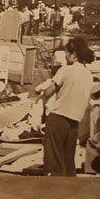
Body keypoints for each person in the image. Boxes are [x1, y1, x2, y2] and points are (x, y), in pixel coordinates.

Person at [36, 36, 94, 176]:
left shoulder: (66, 70)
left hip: (58, 118)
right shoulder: (88, 74)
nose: (66, 57)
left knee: (54, 159)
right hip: (74, 122)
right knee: (68, 160)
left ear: (74, 55)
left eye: (67, 54)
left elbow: (49, 91)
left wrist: (40, 95)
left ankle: (53, 189)